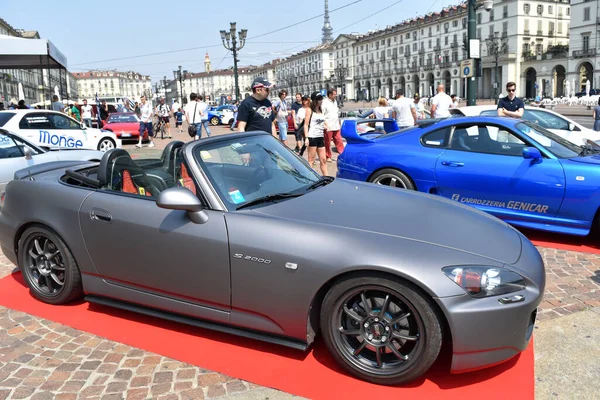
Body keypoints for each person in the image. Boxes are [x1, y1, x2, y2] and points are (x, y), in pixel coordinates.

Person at [303, 92, 328, 176]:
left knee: (323, 159)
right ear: (314, 100)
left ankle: (326, 177)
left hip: (320, 137)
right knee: (311, 160)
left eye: (321, 98)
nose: (321, 100)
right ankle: (310, 177)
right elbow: (306, 125)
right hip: (312, 137)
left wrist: (326, 125)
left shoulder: (322, 110)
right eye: (319, 99)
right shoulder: (309, 110)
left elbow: (323, 121)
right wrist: (306, 137)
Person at [322, 88, 344, 162]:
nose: (336, 96)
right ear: (330, 95)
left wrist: (339, 123)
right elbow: (322, 114)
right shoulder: (324, 102)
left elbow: (336, 113)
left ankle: (342, 154)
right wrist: (325, 125)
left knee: (339, 140)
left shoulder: (335, 102)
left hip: (336, 124)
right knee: (327, 142)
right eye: (334, 94)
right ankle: (327, 156)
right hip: (328, 125)